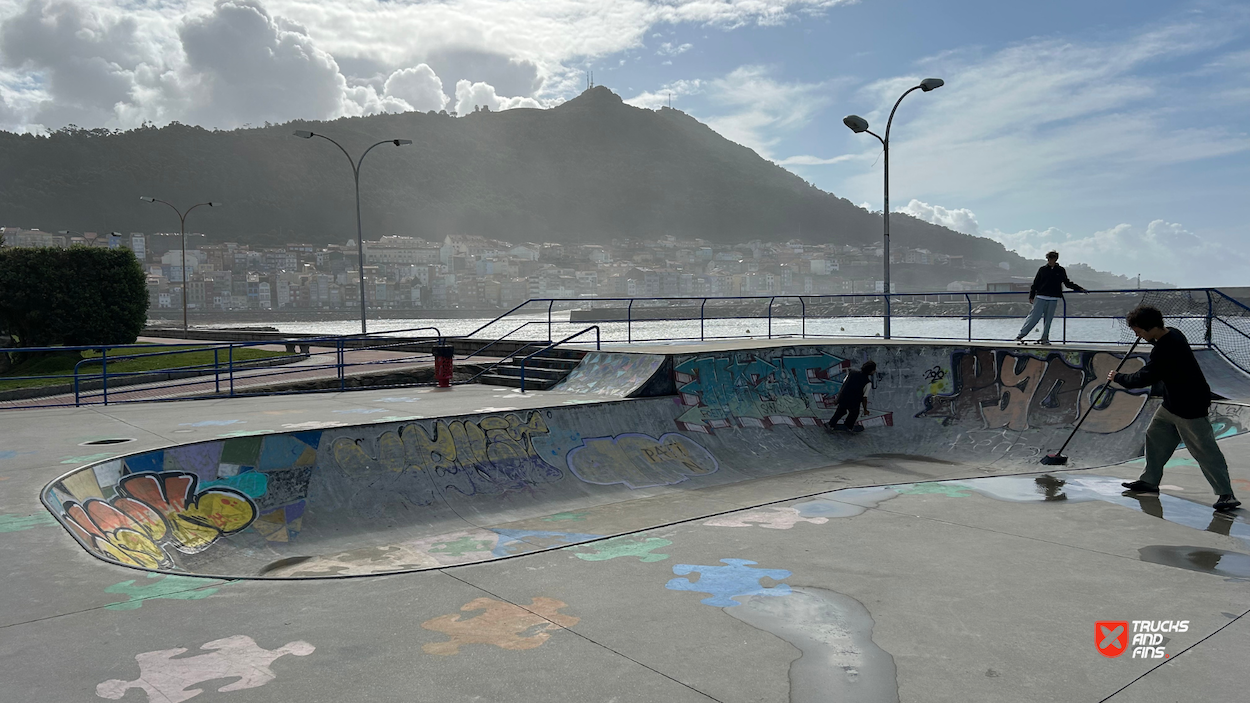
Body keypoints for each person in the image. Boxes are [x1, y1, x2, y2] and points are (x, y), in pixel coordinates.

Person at [1108, 305, 1240, 511]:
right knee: (1154, 436)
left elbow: (1143, 378)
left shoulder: (1165, 350)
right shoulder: (1173, 333)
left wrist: (1118, 377)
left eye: (1139, 331)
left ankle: (1226, 495)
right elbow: (1156, 341)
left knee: (1204, 450)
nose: (1137, 335)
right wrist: (1149, 338)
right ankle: (1150, 482)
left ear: (1151, 328)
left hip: (1190, 406)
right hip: (1171, 405)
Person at [1016, 251, 1087, 344]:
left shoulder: (1060, 270)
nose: (1050, 260)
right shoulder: (1042, 269)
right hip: (1041, 296)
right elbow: (1035, 283)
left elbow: (1067, 282)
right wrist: (1031, 295)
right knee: (1034, 316)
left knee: (1048, 320)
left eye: (1052, 258)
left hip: (1053, 298)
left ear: (1056, 259)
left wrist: (1079, 288)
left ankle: (1044, 338)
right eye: (1049, 259)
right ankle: (1021, 335)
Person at [827, 361, 875, 432]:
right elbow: (864, 398)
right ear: (871, 371)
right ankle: (848, 426)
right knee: (854, 413)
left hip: (843, 397)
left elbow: (844, 384)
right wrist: (865, 409)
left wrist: (838, 398)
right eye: (874, 370)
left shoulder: (852, 373)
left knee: (840, 411)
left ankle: (831, 424)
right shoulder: (868, 382)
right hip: (854, 402)